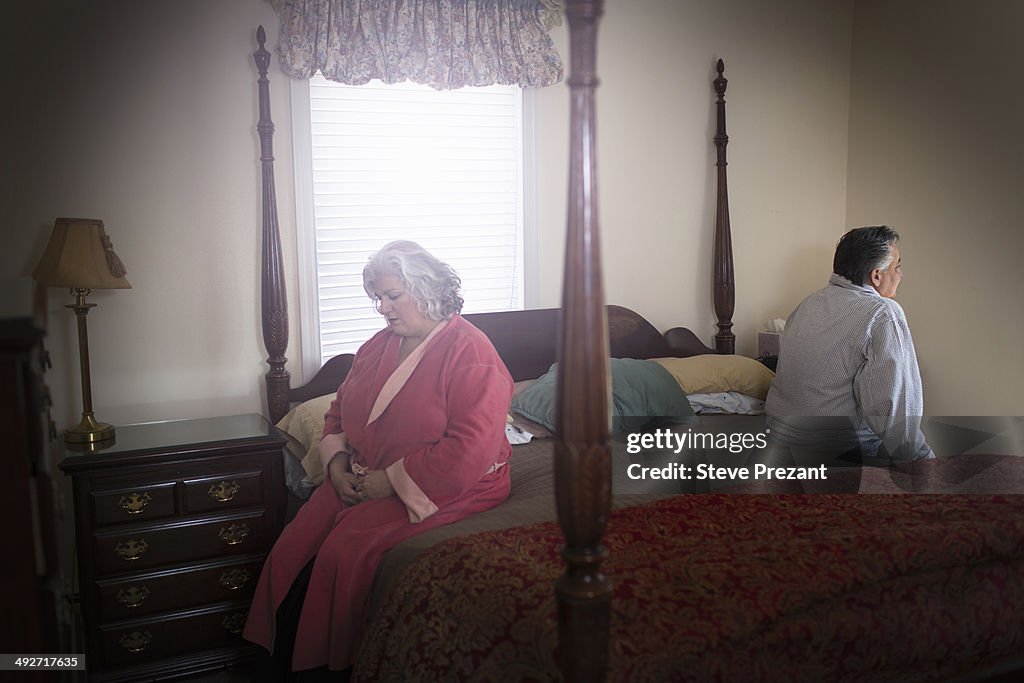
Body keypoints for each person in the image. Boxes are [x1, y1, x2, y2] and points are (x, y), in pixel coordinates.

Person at [243, 241, 514, 677]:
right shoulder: (376, 346)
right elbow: (336, 413)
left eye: (393, 297)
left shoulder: (472, 354)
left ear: (424, 289)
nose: (383, 309)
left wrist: (388, 483)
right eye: (378, 298)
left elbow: (470, 448)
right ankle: (271, 657)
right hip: (360, 472)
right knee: (294, 542)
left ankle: (329, 666)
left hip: (446, 483)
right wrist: (335, 466)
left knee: (347, 549)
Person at [764, 226, 934, 490]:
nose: (901, 274)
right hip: (833, 451)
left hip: (779, 438)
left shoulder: (808, 303)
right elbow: (894, 411)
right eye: (897, 266)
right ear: (876, 276)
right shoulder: (883, 312)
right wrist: (925, 464)